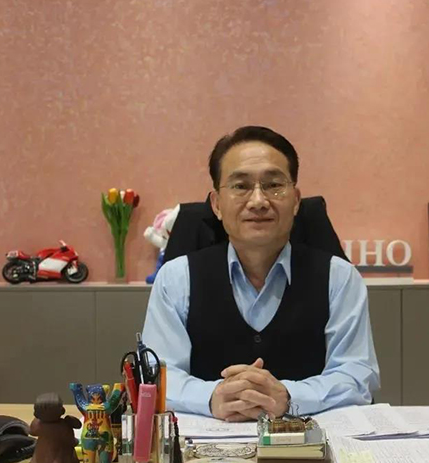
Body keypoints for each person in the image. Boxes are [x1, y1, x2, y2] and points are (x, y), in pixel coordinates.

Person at [142, 125, 379, 422]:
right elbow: (157, 375)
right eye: (240, 186)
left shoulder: (340, 278)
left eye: (273, 185)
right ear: (217, 204)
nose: (258, 201)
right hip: (204, 447)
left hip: (310, 444)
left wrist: (288, 397)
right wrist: (213, 396)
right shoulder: (176, 279)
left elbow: (357, 375)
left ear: (296, 200)